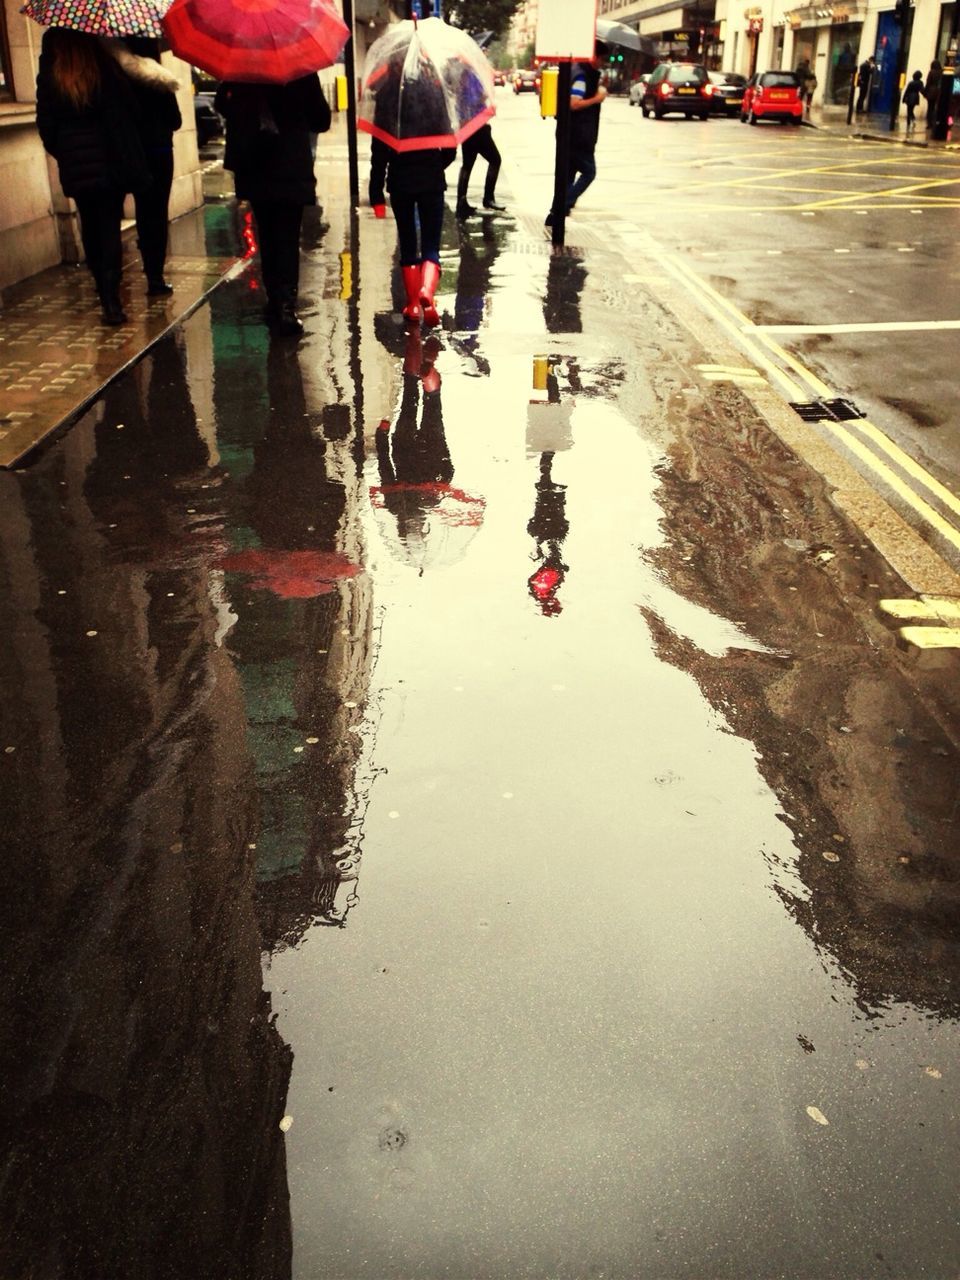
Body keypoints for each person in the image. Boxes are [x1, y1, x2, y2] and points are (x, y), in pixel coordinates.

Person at [35, 27, 152, 325]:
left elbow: (45, 120)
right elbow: (127, 109)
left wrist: (65, 151)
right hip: (109, 158)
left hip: (76, 162)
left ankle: (103, 292)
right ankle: (112, 302)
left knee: (90, 225)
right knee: (109, 226)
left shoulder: (52, 62)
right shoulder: (102, 58)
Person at [215, 76, 330, 336]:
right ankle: (286, 306)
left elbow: (221, 104)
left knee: (267, 234)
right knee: (288, 236)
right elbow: (321, 119)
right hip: (290, 165)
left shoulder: (241, 69)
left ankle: (275, 300)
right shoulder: (300, 69)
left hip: (257, 166)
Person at [105, 37, 182, 296]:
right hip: (158, 153)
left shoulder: (114, 74)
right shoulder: (160, 79)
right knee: (155, 213)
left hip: (126, 152)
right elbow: (175, 120)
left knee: (112, 213)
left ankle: (109, 285)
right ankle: (155, 276)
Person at [369, 137, 456, 328]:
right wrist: (433, 165)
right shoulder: (434, 107)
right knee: (431, 246)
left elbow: (379, 154)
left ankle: (414, 306)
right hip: (431, 181)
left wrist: (376, 193)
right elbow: (450, 149)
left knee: (407, 243)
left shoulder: (390, 109)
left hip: (401, 182)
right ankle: (426, 290)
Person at [545, 43, 608, 227]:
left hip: (571, 134)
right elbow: (574, 103)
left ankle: (554, 215)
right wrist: (597, 98)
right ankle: (560, 207)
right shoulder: (581, 76)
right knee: (589, 172)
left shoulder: (577, 70)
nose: (603, 64)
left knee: (568, 176)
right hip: (579, 135)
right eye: (602, 59)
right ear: (594, 57)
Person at [456, 123, 504, 220]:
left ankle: (461, 201)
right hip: (479, 129)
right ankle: (488, 198)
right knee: (495, 160)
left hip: (465, 129)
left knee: (467, 166)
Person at [924, 60, 943, 130]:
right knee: (936, 108)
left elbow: (928, 83)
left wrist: (925, 92)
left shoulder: (931, 72)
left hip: (931, 92)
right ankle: (936, 122)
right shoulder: (941, 72)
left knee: (930, 108)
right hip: (939, 92)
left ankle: (930, 124)